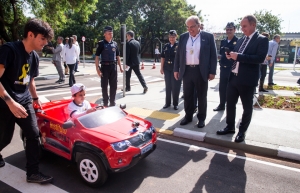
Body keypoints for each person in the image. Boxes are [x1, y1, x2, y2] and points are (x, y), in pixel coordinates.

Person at [0, 18, 54, 183]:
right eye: (42, 38)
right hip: (4, 101)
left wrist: (36, 99)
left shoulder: (34, 57)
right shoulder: (9, 50)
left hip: (24, 101)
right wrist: (10, 102)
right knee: (4, 137)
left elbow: (30, 81)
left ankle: (33, 173)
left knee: (33, 134)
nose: (45, 43)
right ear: (30, 35)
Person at [216, 15, 269, 143]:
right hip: (233, 77)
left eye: (244, 26)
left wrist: (238, 56)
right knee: (230, 104)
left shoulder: (261, 40)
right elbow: (236, 55)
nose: (242, 28)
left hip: (247, 80)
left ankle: (242, 131)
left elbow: (260, 58)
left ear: (253, 25)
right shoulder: (241, 40)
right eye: (241, 26)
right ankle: (230, 127)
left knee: (247, 107)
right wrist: (231, 56)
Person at [174, 15, 217, 128]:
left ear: (198, 25)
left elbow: (213, 55)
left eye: (192, 26)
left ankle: (201, 118)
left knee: (202, 96)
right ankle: (188, 116)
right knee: (187, 96)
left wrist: (212, 71)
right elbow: (178, 55)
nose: (190, 29)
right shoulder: (183, 37)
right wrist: (176, 69)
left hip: (200, 71)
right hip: (187, 70)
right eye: (188, 27)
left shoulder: (208, 37)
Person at [95, 26, 123, 107]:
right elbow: (97, 57)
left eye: (112, 33)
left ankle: (112, 102)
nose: (111, 34)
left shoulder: (115, 44)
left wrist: (120, 67)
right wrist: (97, 69)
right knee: (104, 85)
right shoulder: (101, 44)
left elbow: (117, 56)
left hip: (113, 67)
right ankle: (105, 102)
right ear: (105, 34)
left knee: (113, 86)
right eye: (109, 33)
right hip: (104, 67)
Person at [213, 22, 238, 111]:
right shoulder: (223, 41)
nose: (229, 31)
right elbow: (221, 53)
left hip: (232, 69)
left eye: (231, 29)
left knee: (231, 90)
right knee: (222, 88)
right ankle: (221, 104)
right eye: (227, 29)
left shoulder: (237, 41)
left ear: (235, 30)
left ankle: (230, 107)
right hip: (223, 68)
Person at [160, 30, 181, 110]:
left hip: (176, 70)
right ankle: (167, 103)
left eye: (173, 37)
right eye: (170, 37)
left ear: (176, 37)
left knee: (176, 86)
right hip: (167, 69)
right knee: (168, 86)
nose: (171, 39)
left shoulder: (179, 46)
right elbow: (163, 57)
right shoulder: (166, 46)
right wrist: (161, 68)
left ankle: (175, 103)